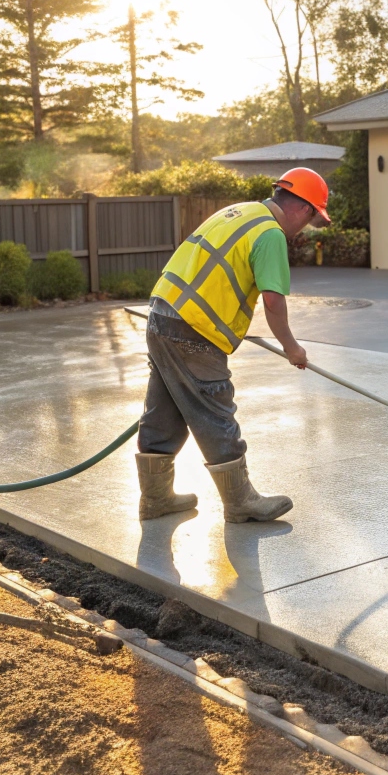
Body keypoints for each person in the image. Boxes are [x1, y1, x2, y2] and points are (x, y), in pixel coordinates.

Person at [134, 167, 327, 523]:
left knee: (163, 412)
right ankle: (241, 501)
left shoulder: (241, 211)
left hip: (163, 315)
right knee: (214, 410)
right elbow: (273, 301)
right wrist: (292, 348)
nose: (305, 228)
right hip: (195, 331)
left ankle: (156, 499)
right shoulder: (270, 234)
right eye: (313, 219)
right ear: (305, 208)